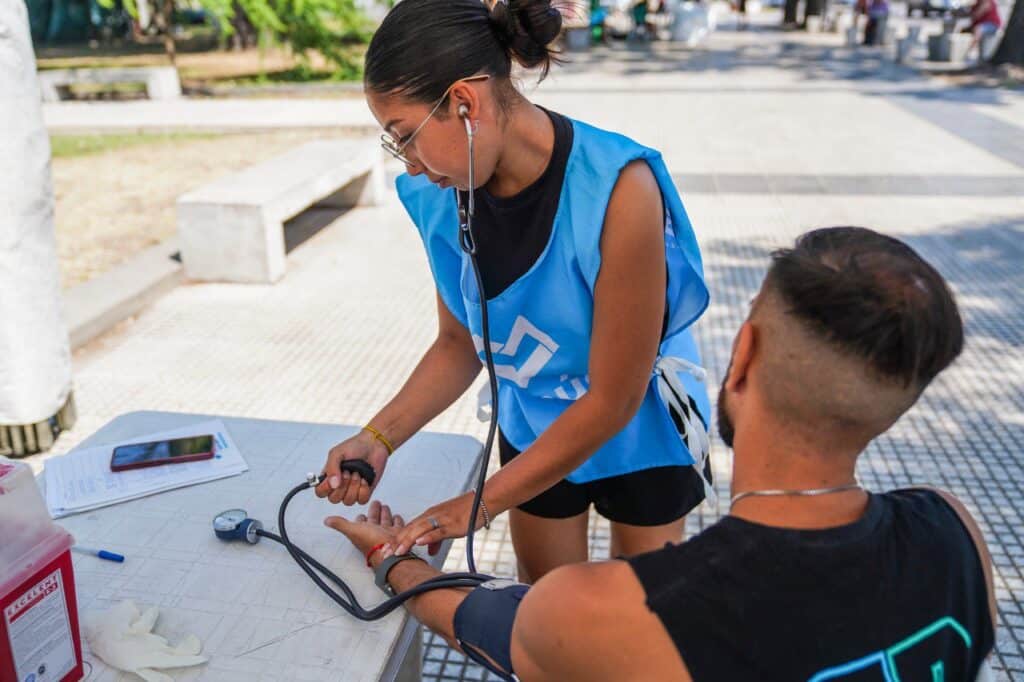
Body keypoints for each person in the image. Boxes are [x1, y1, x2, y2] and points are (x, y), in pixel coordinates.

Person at [325, 227, 997, 681]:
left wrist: (392, 559)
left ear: (743, 356)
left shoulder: (615, 612)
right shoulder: (956, 537)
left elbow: (478, 621)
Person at [315, 0, 714, 582]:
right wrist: (378, 437)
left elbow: (614, 399)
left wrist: (481, 503)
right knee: (545, 599)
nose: (410, 164)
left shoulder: (617, 190)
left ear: (465, 103)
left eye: (406, 137)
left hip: (641, 423)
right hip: (537, 419)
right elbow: (458, 344)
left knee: (643, 600)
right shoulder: (439, 195)